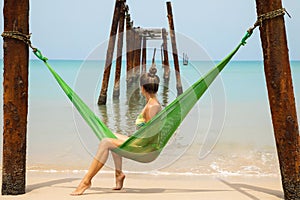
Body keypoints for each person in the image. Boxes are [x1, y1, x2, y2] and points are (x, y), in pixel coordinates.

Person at [71, 67, 161, 195]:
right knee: (111, 135)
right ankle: (119, 175)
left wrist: (134, 140)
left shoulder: (152, 106)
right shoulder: (151, 103)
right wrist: (133, 136)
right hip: (142, 142)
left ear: (142, 88)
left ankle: (86, 181)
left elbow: (150, 133)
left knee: (106, 142)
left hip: (145, 147)